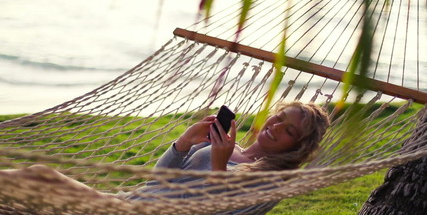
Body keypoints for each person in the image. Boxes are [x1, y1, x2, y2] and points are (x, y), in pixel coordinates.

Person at [0, 101, 330, 214]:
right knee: (32, 185)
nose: (275, 127)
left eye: (288, 130)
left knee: (40, 177)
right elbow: (161, 178)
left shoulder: (271, 179)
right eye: (278, 117)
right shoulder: (231, 148)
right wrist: (184, 142)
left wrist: (218, 163)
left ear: (297, 146)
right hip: (128, 202)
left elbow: (218, 208)